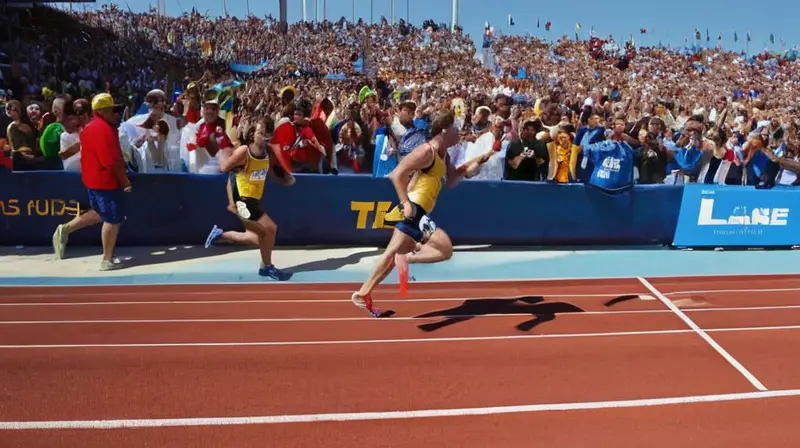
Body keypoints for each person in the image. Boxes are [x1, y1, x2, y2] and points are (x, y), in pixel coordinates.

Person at [350, 110, 490, 316]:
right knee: (434, 249)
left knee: (400, 254)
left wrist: (477, 162)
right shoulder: (427, 151)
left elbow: (452, 180)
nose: (458, 133)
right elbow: (397, 174)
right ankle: (363, 292)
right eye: (455, 129)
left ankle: (366, 291)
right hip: (414, 209)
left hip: (422, 212)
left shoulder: (445, 155)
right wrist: (405, 202)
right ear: (444, 129)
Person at [203, 118, 294, 281]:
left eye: (266, 132)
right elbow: (225, 169)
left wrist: (285, 179)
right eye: (260, 132)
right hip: (242, 200)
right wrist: (232, 201)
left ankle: (220, 235)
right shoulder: (244, 151)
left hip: (254, 201)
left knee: (261, 235)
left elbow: (272, 174)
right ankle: (267, 268)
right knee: (267, 231)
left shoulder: (267, 153)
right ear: (252, 135)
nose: (263, 135)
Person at [52, 93, 130, 271]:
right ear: (103, 111)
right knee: (112, 219)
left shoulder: (90, 128)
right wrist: (125, 181)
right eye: (113, 110)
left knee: (99, 213)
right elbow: (110, 161)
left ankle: (65, 229)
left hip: (92, 181)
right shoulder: (102, 130)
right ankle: (107, 260)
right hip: (105, 182)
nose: (116, 113)